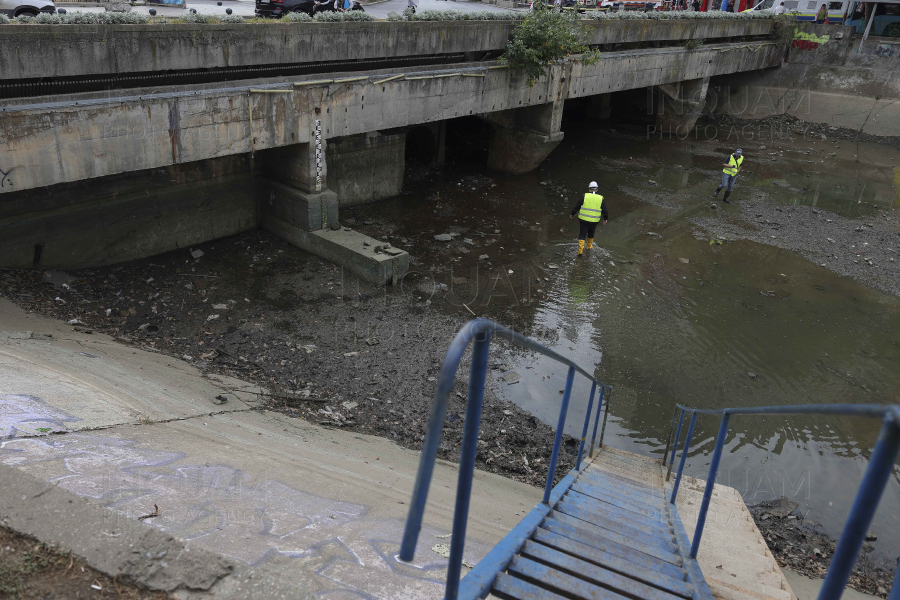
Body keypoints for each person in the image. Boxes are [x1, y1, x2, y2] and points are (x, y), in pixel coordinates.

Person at [569, 181, 608, 259]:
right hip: (594, 221)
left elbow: (577, 206)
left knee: (582, 233)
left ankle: (580, 251)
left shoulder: (585, 196)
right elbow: (604, 210)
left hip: (583, 219)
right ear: (597, 189)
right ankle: (589, 246)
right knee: (591, 232)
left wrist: (572, 214)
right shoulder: (600, 198)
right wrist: (605, 218)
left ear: (589, 189)